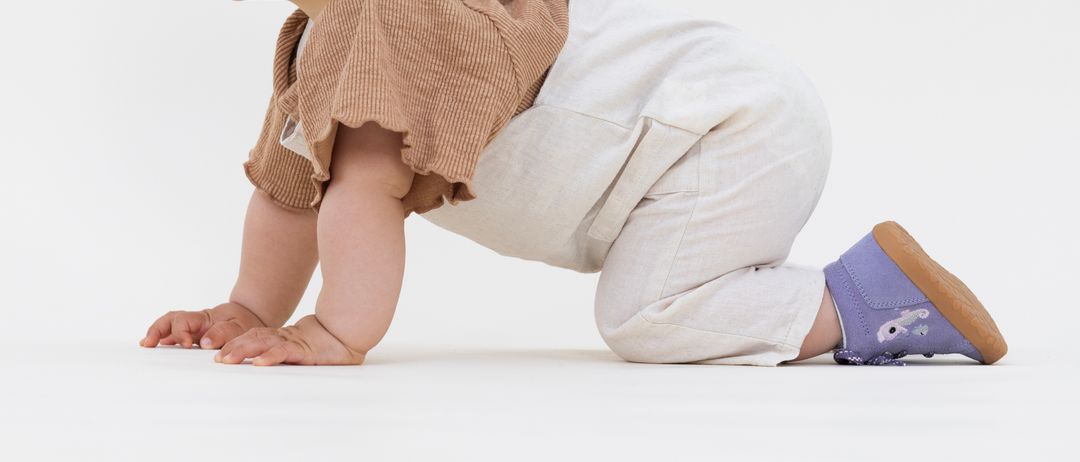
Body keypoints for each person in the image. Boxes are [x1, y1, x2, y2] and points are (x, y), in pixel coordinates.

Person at [140, 0, 1008, 367]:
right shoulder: (323, 39)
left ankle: (866, 304)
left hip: (728, 129)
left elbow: (361, 190)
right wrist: (250, 308)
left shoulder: (405, 21)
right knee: (644, 305)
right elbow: (296, 188)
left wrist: (336, 331)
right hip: (693, 137)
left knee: (642, 317)